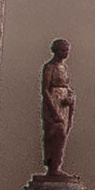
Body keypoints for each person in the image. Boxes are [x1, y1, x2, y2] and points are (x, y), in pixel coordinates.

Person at [38, 39, 75, 179]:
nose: (66, 53)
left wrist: (70, 96)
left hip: (64, 104)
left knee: (63, 134)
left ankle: (57, 165)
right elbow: (45, 89)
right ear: (56, 50)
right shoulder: (49, 67)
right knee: (55, 132)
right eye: (63, 50)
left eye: (67, 51)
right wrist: (53, 110)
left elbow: (66, 86)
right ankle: (52, 166)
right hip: (53, 102)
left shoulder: (64, 68)